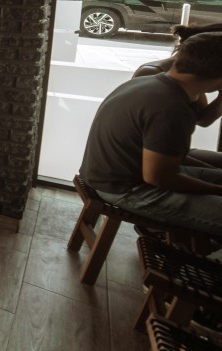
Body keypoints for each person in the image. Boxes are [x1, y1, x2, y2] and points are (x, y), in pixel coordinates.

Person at [79, 31, 222, 240]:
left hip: (112, 176)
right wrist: (217, 190)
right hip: (125, 189)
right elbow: (158, 177)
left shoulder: (152, 83)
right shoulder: (170, 107)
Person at [132, 23, 222, 169]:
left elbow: (203, 119)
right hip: (146, 156)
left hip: (168, 150)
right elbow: (146, 150)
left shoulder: (192, 75)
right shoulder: (153, 73)